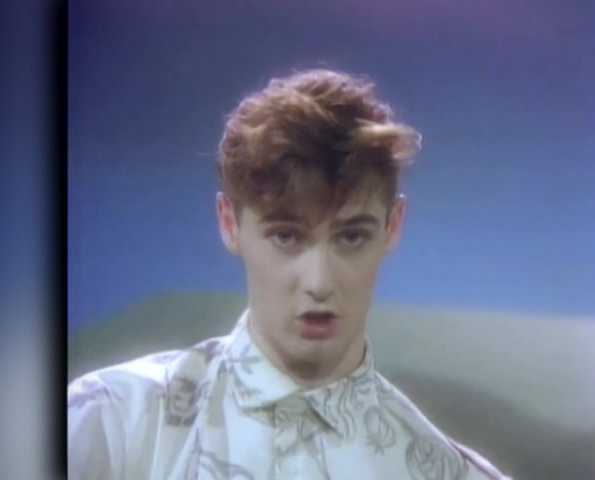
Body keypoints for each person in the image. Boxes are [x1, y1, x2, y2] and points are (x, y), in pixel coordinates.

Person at [67, 68, 511, 479]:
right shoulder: (109, 425)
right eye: (286, 236)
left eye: (351, 237)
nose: (319, 283)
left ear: (392, 227)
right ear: (229, 223)